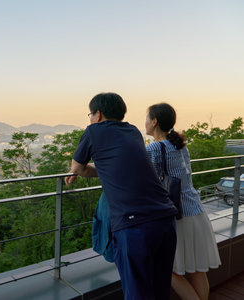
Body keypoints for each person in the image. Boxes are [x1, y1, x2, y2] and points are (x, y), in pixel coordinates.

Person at [65, 92, 178, 300]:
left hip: (135, 225)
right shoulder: (133, 131)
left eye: (90, 114)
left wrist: (79, 171)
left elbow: (77, 168)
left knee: (137, 293)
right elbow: (119, 163)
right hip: (165, 218)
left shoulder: (93, 131)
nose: (90, 118)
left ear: (98, 114)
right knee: (161, 290)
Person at [145, 103, 221, 300]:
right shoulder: (180, 145)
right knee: (196, 270)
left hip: (177, 217)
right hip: (195, 211)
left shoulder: (154, 147)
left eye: (147, 118)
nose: (144, 122)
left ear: (154, 121)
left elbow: (143, 177)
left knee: (168, 269)